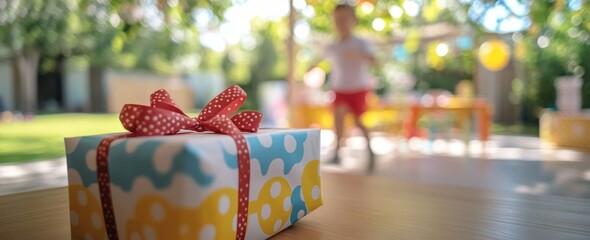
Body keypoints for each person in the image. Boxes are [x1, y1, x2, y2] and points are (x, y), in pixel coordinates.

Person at [308, 4, 376, 172]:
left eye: (345, 18)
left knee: (358, 121)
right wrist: (311, 67)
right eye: (338, 19)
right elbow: (319, 58)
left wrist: (358, 55)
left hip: (357, 88)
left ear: (354, 20)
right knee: (338, 118)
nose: (341, 23)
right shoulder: (333, 45)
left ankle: (370, 149)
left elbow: (374, 60)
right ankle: (337, 151)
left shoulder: (360, 43)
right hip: (339, 88)